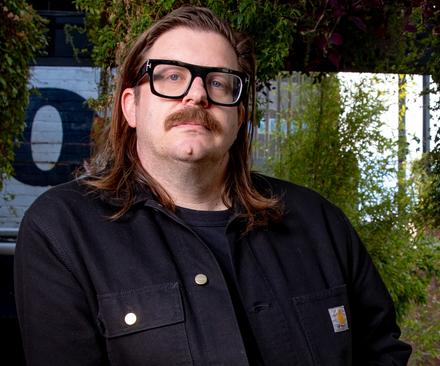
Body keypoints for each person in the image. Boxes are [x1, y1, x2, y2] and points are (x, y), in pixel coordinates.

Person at [14, 6, 411, 366]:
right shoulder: (63, 231)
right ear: (131, 106)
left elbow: (382, 352)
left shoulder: (318, 222)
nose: (198, 94)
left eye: (220, 83)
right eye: (171, 76)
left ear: (239, 116)